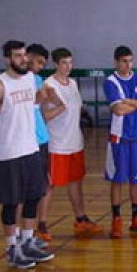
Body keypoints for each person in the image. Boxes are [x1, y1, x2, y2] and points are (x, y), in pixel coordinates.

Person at [0, 40, 53, 268]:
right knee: (12, 202)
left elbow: (32, 106)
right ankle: (12, 248)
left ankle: (28, 241)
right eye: (17, 56)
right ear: (7, 59)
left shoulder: (31, 79)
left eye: (24, 55)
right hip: (8, 153)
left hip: (30, 148)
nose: (23, 59)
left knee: (34, 196)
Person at [42, 47, 103, 237]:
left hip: (75, 143)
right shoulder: (48, 86)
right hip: (57, 144)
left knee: (76, 182)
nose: (68, 66)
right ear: (55, 64)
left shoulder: (73, 84)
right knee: (49, 185)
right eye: (64, 63)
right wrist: (61, 106)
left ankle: (81, 219)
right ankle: (41, 225)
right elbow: (44, 116)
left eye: (70, 62)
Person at [103, 45, 137, 239]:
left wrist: (129, 101)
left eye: (131, 61)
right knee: (118, 180)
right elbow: (118, 110)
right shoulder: (110, 82)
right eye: (124, 61)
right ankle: (116, 219)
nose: (128, 65)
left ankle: (136, 218)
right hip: (119, 137)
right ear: (116, 62)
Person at [26, 43, 63, 242]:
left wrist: (52, 96)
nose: (40, 66)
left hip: (42, 139)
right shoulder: (20, 82)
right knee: (28, 190)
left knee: (43, 185)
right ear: (28, 57)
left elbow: (50, 105)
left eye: (43, 63)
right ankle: (23, 236)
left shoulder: (39, 80)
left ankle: (39, 226)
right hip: (27, 141)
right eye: (39, 62)